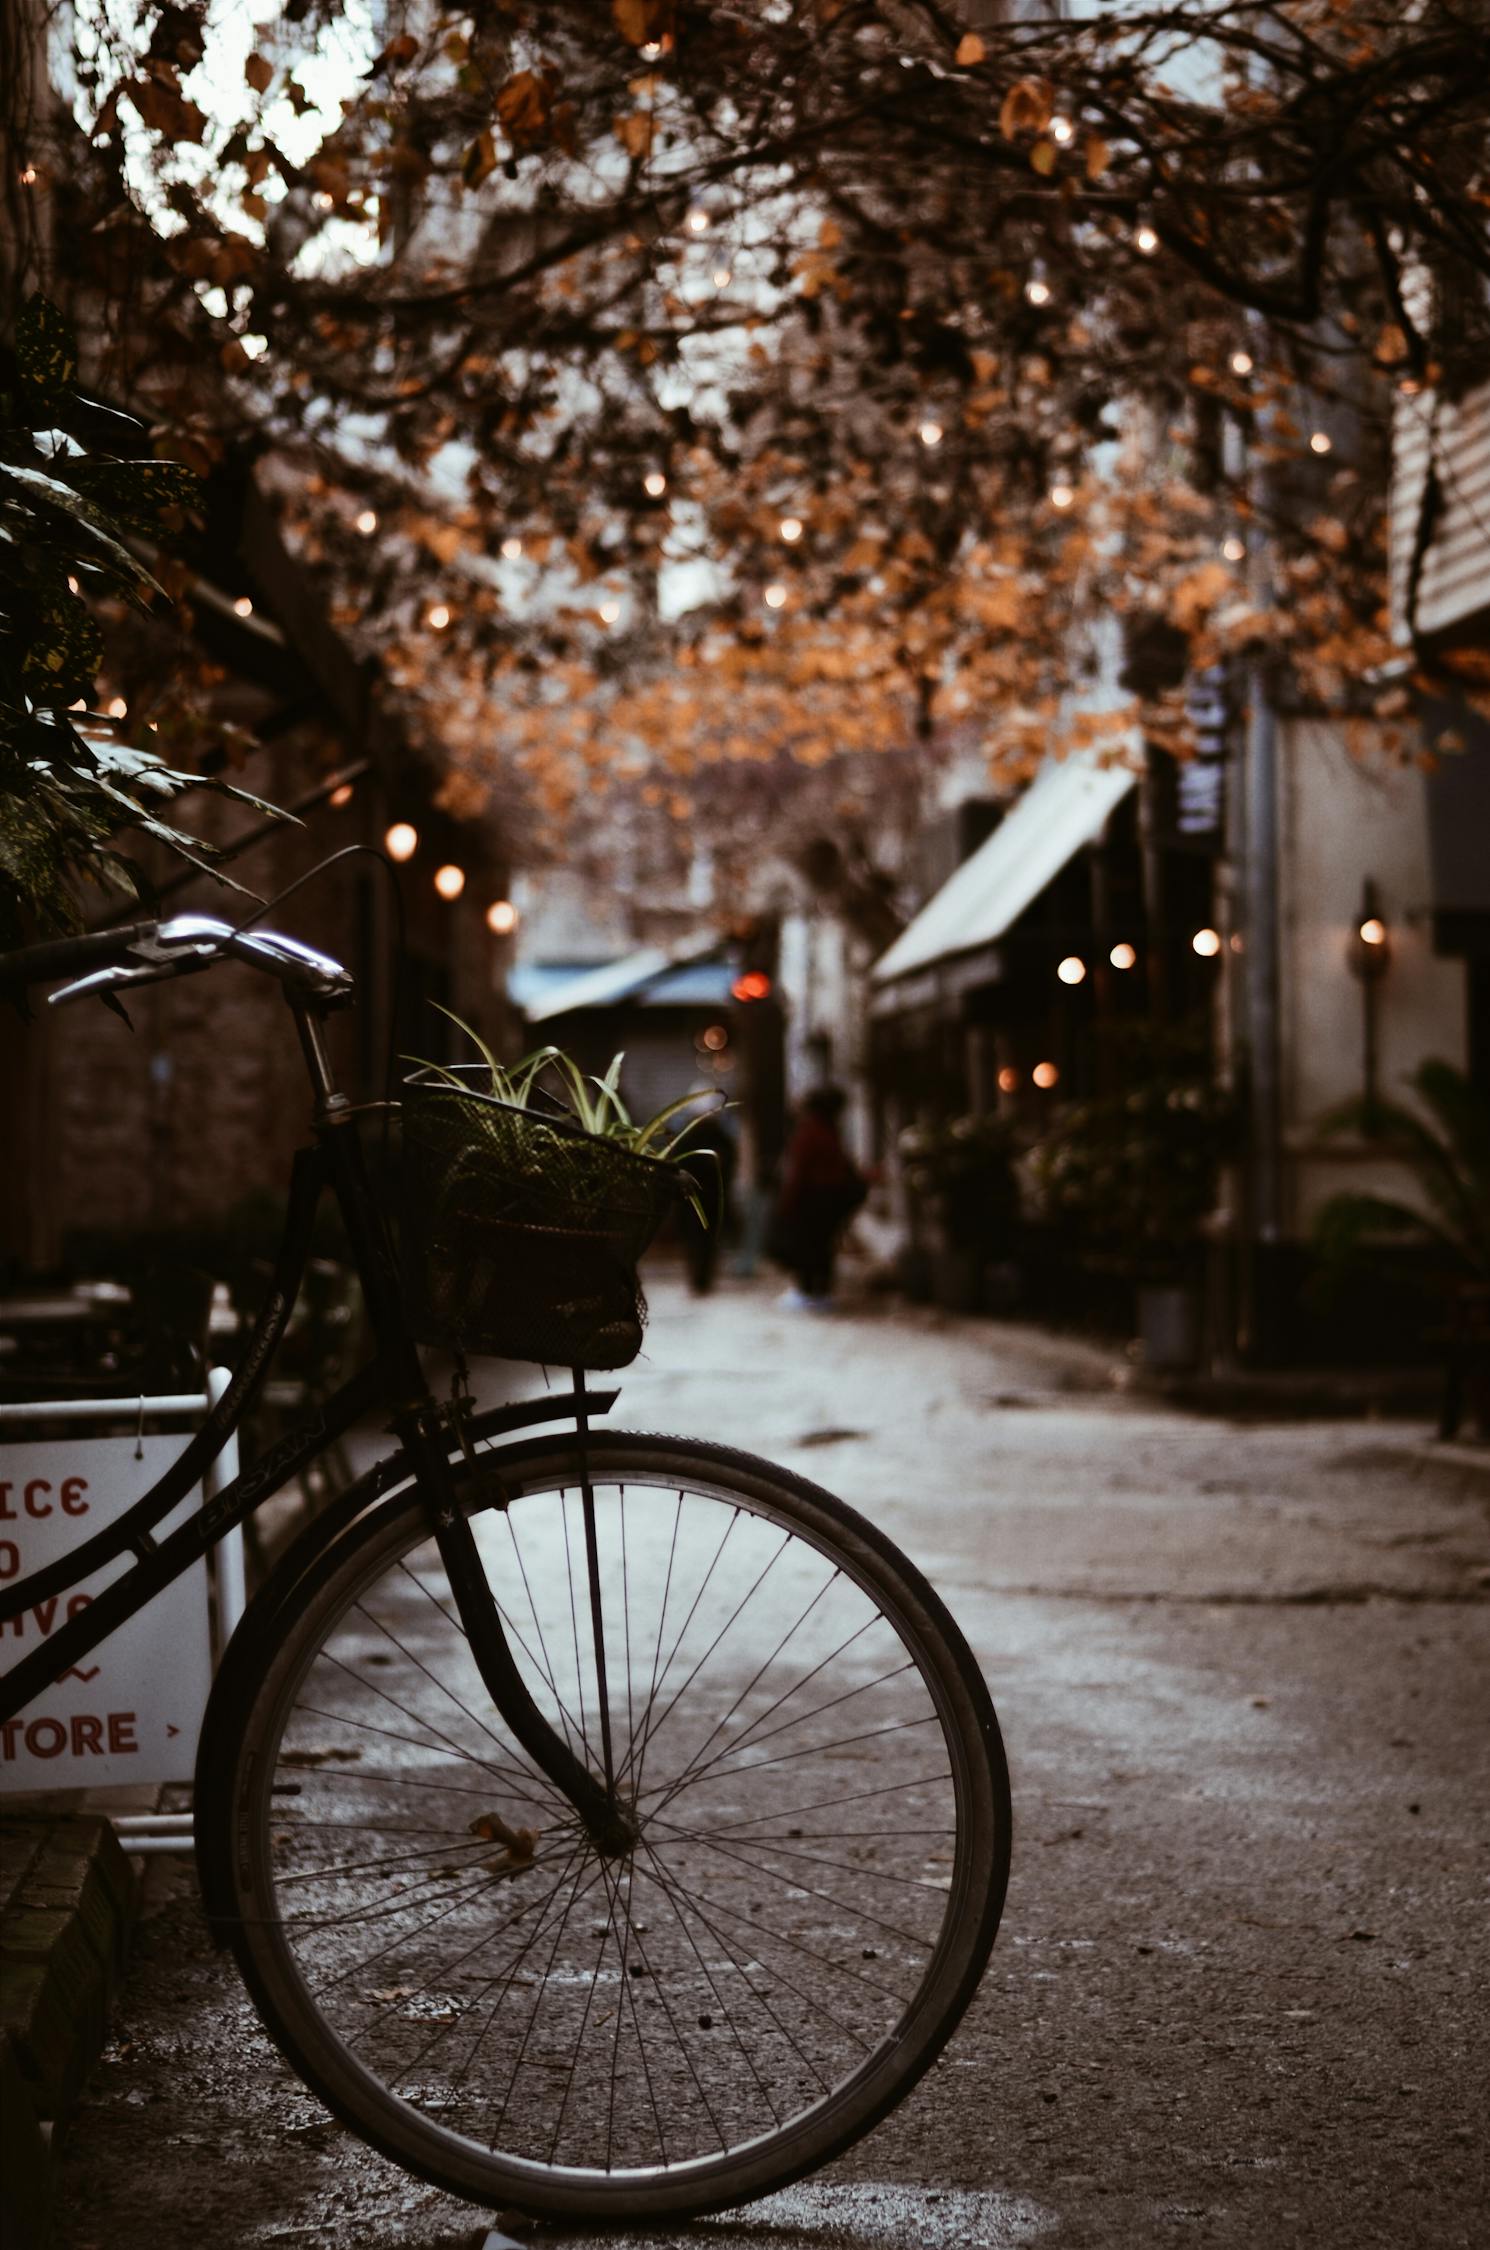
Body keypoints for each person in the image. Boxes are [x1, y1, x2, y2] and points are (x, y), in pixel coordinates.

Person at [771, 1086, 867, 1308]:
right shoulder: (830, 1131)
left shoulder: (809, 1132)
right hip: (830, 1197)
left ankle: (808, 1291)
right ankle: (820, 1292)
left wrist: (786, 1202)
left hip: (811, 1198)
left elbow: (798, 1171)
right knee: (822, 1246)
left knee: (807, 1246)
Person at [673, 1112, 738, 1296]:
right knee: (700, 1241)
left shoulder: (714, 1137)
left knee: (703, 1241)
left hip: (703, 1199)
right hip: (697, 1199)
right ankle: (700, 1279)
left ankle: (702, 1279)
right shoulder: (713, 1137)